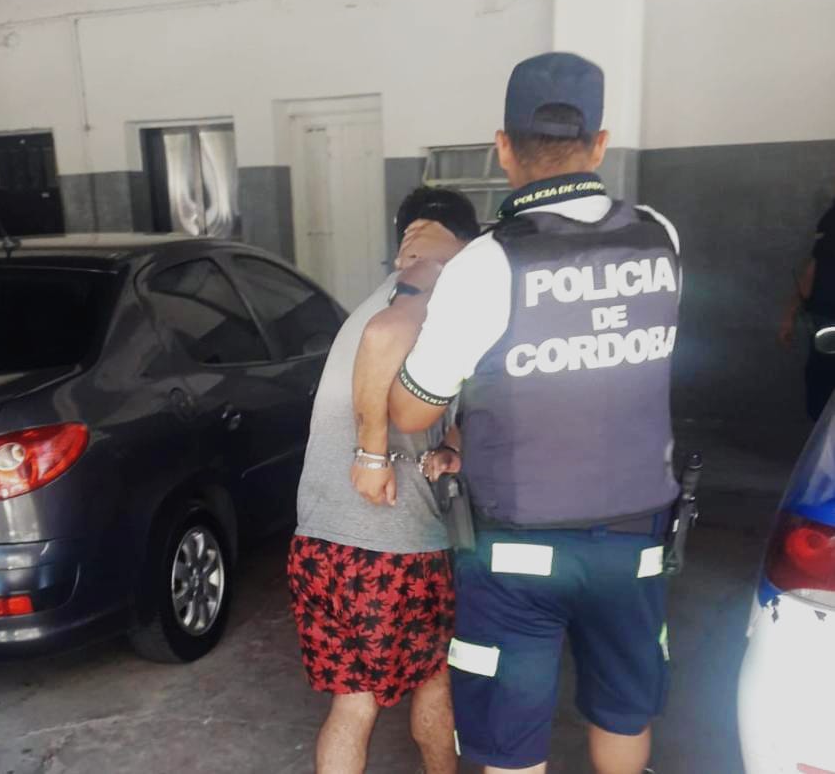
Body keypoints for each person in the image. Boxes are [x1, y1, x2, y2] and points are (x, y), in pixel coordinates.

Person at [356, 52, 681, 774]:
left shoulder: (487, 263)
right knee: (623, 711)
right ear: (600, 143)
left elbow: (409, 410)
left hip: (515, 553)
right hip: (635, 541)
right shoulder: (660, 236)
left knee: (510, 741)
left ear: (502, 147)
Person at [287, 187, 480, 774]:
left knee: (352, 704)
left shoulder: (382, 292)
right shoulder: (434, 284)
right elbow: (384, 338)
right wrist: (371, 455)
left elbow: (453, 407)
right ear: (467, 242)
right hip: (393, 548)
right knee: (434, 682)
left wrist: (450, 444)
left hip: (318, 541)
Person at [779, 199, 835, 420]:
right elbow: (813, 268)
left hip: (826, 318)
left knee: (821, 386)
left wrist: (789, 315)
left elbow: (812, 269)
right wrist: (789, 314)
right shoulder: (831, 219)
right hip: (826, 319)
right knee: (821, 388)